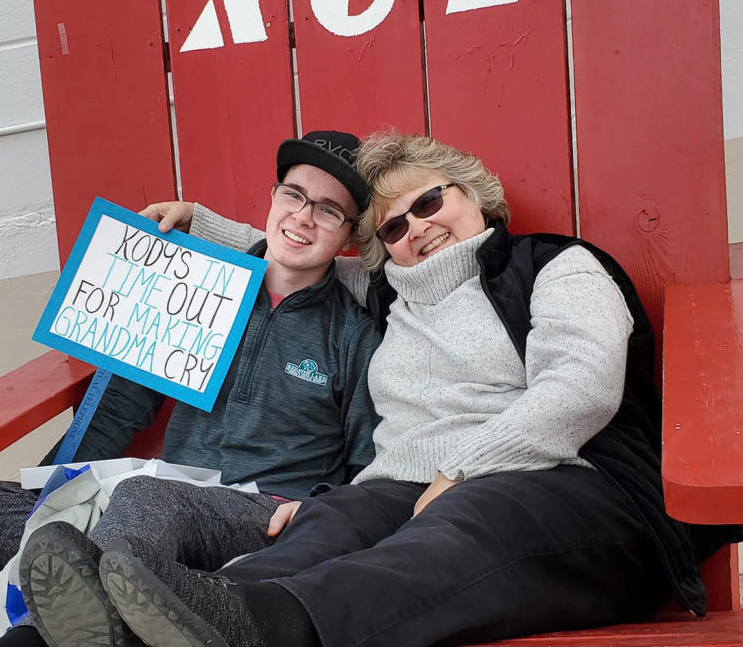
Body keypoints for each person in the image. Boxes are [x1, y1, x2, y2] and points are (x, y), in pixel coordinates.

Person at [91, 130, 741, 647]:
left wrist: (461, 471)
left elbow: (580, 392)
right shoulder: (385, 291)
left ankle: (270, 625)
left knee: (469, 516)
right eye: (393, 227)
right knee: (332, 522)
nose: (416, 227)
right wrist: (199, 221)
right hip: (412, 489)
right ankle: (157, 626)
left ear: (475, 195)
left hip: (571, 489)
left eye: (428, 202)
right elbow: (297, 251)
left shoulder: (553, 266)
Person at [0, 130, 382, 647]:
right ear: (274, 196)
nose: (304, 217)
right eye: (294, 195)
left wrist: (318, 515)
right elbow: (116, 412)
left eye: (329, 211)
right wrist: (41, 514)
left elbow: (367, 462)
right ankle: (151, 606)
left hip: (260, 515)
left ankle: (34, 637)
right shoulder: (200, 287)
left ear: (349, 234)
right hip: (150, 504)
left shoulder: (353, 335)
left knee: (143, 501)